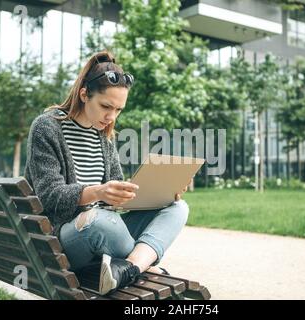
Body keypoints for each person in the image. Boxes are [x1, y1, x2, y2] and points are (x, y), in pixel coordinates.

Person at [24, 50, 189, 295]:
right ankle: (143, 263)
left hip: (104, 229)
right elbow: (50, 197)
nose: (111, 116)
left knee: (178, 208)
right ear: (84, 95)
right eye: (105, 106)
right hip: (61, 240)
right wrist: (97, 192)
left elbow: (115, 195)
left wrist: (156, 193)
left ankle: (130, 268)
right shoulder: (47, 127)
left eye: (119, 110)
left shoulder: (104, 135)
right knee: (99, 221)